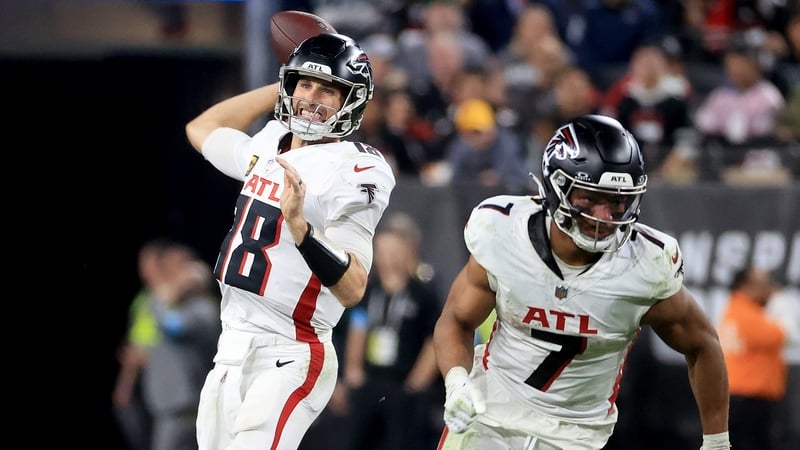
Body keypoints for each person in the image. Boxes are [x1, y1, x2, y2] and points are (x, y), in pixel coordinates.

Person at [432, 114, 731, 449]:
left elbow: (702, 345)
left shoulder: (646, 264)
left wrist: (716, 442)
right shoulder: (503, 232)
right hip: (489, 414)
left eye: (617, 201)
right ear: (557, 186)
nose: (605, 216)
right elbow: (456, 320)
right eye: (592, 198)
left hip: (574, 436)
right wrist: (457, 383)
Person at [185, 32, 396, 449]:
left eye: (328, 90)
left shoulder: (353, 170)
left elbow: (353, 287)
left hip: (291, 350)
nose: (312, 98)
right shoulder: (269, 144)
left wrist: (301, 228)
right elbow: (203, 127)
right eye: (304, 85)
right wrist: (286, 81)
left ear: (351, 101)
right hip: (230, 346)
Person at [342, 212, 443, 450]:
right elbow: (358, 327)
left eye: (393, 251)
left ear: (409, 249)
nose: (387, 258)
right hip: (370, 382)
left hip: (403, 386)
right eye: (382, 251)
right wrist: (352, 371)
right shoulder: (369, 291)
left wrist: (415, 385)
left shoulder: (423, 294)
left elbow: (433, 340)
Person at [718, 266, 787, 450]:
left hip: (743, 397)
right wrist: (780, 304)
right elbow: (779, 335)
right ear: (746, 287)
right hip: (749, 399)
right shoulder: (746, 314)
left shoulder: (737, 310)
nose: (769, 289)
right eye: (764, 284)